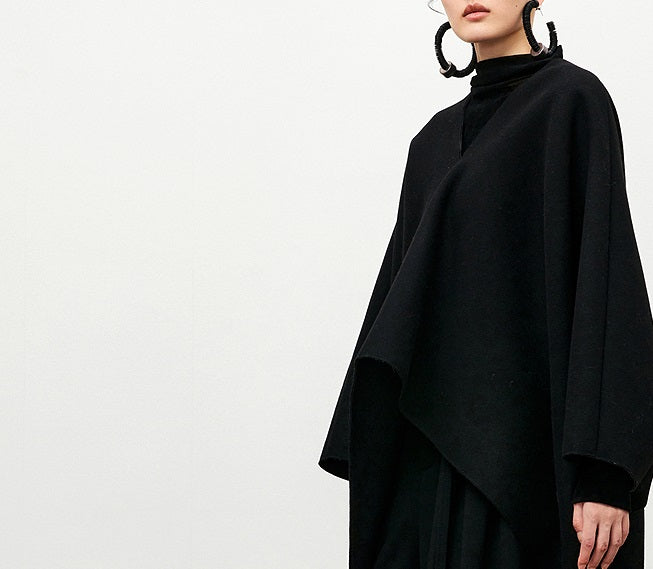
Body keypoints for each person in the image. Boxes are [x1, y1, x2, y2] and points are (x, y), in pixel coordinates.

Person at [318, 1, 653, 568]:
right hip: (430, 465)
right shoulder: (431, 142)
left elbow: (606, 273)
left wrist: (606, 472)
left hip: (536, 464)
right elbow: (399, 305)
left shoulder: (572, 101)